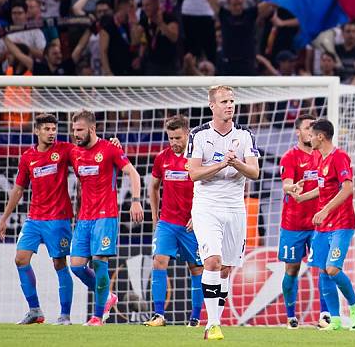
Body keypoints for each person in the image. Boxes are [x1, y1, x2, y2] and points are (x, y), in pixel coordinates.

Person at [187, 85, 260, 341]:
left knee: (226, 268)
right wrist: (221, 164)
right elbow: (193, 173)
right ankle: (213, 324)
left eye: (232, 101)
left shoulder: (245, 135)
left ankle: (214, 323)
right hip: (207, 206)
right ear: (212, 106)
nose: (229, 105)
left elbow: (254, 172)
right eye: (224, 101)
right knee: (212, 262)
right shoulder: (198, 135)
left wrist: (236, 162)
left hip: (235, 208)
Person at [0, 114, 74, 326]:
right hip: (34, 218)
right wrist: (4, 218)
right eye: (47, 129)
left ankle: (65, 315)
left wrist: (111, 143)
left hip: (58, 218)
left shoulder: (65, 149)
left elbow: (88, 149)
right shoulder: (27, 157)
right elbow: (19, 189)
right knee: (20, 259)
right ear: (37, 131)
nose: (51, 132)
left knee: (59, 263)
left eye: (54, 129)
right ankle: (35, 310)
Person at [288, 119, 355, 332]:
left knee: (332, 268)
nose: (309, 138)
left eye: (311, 135)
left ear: (320, 136)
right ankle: (336, 319)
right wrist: (303, 198)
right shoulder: (321, 160)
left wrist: (324, 210)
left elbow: (347, 188)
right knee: (322, 271)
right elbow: (324, 189)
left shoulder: (340, 157)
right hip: (323, 226)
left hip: (341, 223)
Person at [69, 109, 143, 326]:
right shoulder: (74, 152)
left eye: (80, 130)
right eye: (74, 130)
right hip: (84, 218)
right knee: (76, 266)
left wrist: (136, 200)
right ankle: (107, 296)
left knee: (100, 263)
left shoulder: (110, 149)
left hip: (106, 216)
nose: (76, 134)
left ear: (92, 129)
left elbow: (133, 173)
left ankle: (97, 316)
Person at [145, 115, 204, 328]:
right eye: (170, 138)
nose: (174, 142)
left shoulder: (198, 158)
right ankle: (158, 315)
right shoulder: (162, 157)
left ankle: (195, 318)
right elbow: (153, 186)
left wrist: (198, 215)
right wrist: (154, 215)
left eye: (178, 137)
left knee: (196, 268)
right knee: (158, 261)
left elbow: (208, 190)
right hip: (168, 222)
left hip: (192, 224)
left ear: (188, 134)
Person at [277, 114, 329, 329]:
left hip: (318, 223)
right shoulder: (290, 157)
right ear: (298, 131)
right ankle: (291, 316)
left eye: (313, 127)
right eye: (307, 127)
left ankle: (325, 315)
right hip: (293, 224)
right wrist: (292, 187)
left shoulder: (322, 156)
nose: (311, 131)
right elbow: (286, 184)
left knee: (324, 268)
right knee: (292, 269)